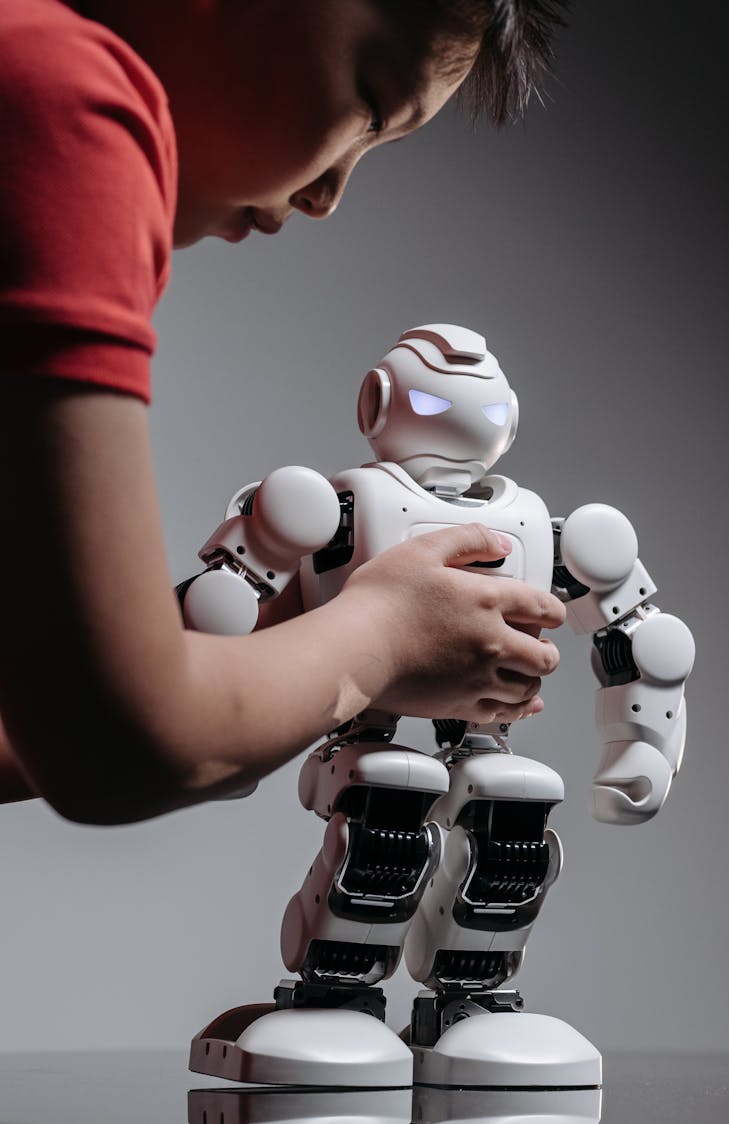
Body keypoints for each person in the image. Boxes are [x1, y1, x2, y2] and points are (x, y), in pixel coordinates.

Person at [0, 0, 568, 824]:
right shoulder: (58, 102)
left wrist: (281, 646)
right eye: (370, 105)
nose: (330, 195)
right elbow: (113, 747)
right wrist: (380, 639)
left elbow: (43, 715)